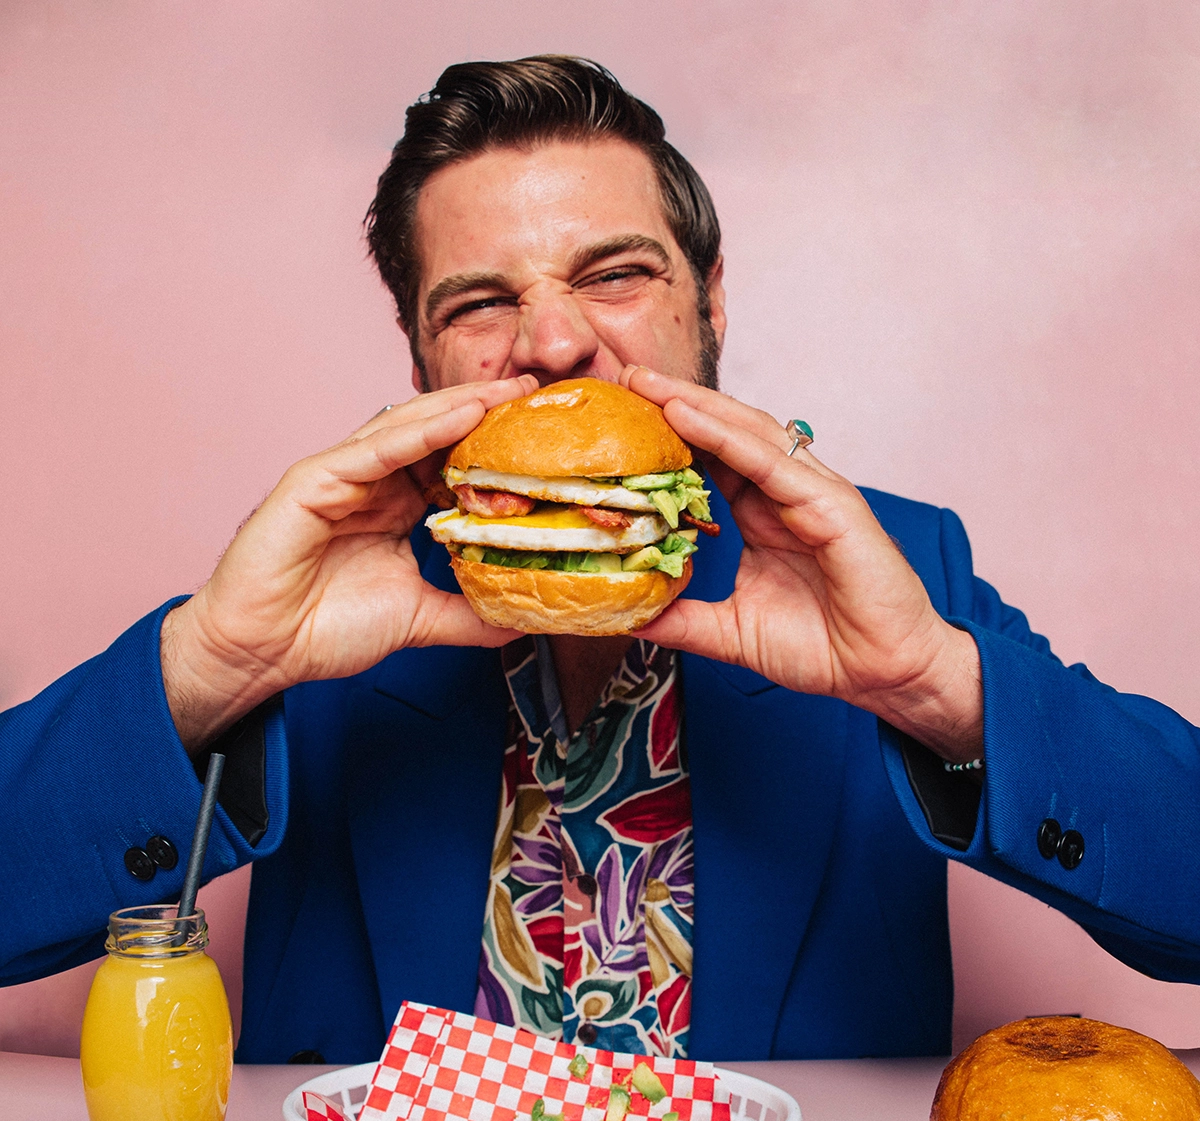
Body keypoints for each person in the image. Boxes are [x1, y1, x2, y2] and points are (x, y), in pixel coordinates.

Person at [3, 56, 1200, 1065]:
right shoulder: (313, 585)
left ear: (711, 302)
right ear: (419, 356)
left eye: (616, 276)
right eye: (478, 302)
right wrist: (213, 661)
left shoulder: (891, 563)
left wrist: (935, 687)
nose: (556, 340)